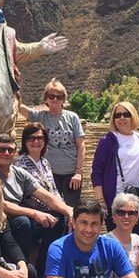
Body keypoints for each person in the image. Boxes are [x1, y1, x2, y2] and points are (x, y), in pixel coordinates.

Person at [0, 133, 73, 278]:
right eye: (2, 149)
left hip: (17, 217)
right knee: (23, 222)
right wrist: (33, 213)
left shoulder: (19, 173)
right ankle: (24, 270)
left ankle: (44, 271)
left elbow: (45, 196)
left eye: (10, 150)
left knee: (57, 219)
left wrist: (70, 211)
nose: (6, 153)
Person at [91, 101, 139, 234]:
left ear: (133, 116)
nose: (121, 118)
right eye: (117, 115)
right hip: (116, 201)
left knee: (136, 239)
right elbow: (97, 172)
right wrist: (100, 200)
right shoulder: (108, 141)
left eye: (125, 114)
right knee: (117, 241)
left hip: (136, 200)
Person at [19, 78, 85, 207]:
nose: (55, 99)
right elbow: (20, 107)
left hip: (71, 174)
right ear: (46, 98)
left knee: (72, 210)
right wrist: (16, 86)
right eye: (51, 96)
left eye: (59, 96)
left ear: (63, 99)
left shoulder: (72, 117)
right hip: (48, 174)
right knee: (51, 209)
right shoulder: (40, 116)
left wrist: (78, 172)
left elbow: (81, 145)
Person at [14, 122, 64, 218]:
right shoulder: (20, 164)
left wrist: (62, 206)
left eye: (40, 138)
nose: (36, 141)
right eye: (31, 138)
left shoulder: (45, 163)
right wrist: (54, 209)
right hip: (36, 213)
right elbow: (28, 196)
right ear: (25, 141)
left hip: (54, 208)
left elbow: (54, 189)